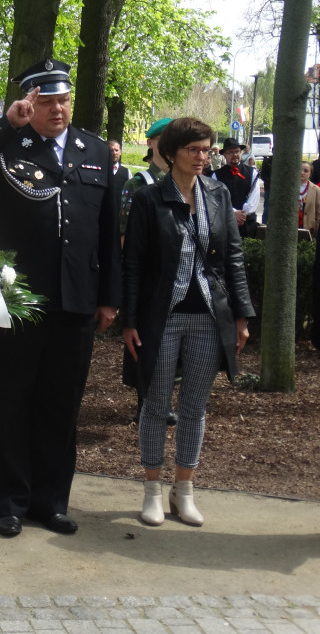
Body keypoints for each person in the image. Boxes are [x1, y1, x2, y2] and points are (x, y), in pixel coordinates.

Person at [0, 58, 120, 538]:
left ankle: (51, 500)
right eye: (46, 102)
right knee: (10, 400)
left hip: (76, 300)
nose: (57, 109)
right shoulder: (11, 144)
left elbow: (108, 230)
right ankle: (8, 501)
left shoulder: (93, 150)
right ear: (29, 103)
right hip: (18, 300)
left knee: (61, 403)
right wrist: (7, 124)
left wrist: (108, 298)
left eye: (63, 100)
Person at [122, 117, 253, 526]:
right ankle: (151, 492)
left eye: (207, 150)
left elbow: (233, 258)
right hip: (163, 317)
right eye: (193, 150)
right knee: (156, 405)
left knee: (195, 408)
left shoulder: (217, 194)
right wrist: (129, 321)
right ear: (171, 154)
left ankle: (184, 492)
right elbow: (133, 266)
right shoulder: (149, 199)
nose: (202, 157)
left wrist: (243, 316)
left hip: (207, 317)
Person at [118, 118, 178, 427]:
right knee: (146, 339)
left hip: (177, 275)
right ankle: (145, 401)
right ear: (151, 143)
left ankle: (163, 401)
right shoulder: (138, 184)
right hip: (147, 277)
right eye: (161, 139)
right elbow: (125, 235)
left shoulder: (185, 181)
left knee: (173, 339)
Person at [213, 138, 261, 238]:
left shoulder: (252, 173)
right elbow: (216, 199)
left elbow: (255, 197)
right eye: (230, 152)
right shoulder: (216, 175)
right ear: (224, 155)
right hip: (226, 223)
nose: (235, 154)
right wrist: (233, 213)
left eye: (237, 151)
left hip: (247, 223)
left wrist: (242, 215)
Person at [107, 139, 129, 214]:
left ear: (120, 152)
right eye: (111, 150)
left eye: (116, 150)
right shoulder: (102, 171)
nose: (114, 153)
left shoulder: (127, 172)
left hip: (120, 213)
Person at [299, 162, 320, 239]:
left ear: (310, 174)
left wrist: (316, 229)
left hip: (308, 229)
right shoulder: (289, 188)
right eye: (300, 170)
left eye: (305, 171)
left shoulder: (316, 190)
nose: (302, 173)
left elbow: (318, 212)